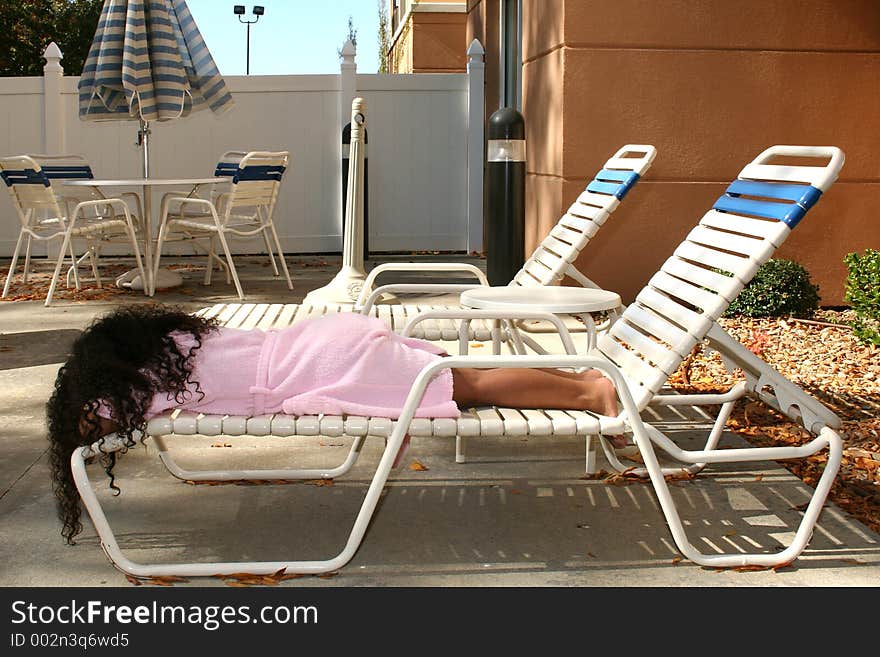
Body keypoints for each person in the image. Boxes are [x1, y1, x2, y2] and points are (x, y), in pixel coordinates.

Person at [47, 304, 621, 544]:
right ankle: (576, 379)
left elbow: (101, 415)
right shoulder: (172, 342)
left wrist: (77, 419)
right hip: (319, 342)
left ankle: (589, 390)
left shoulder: (140, 382)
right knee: (456, 376)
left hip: (323, 367)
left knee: (456, 385)